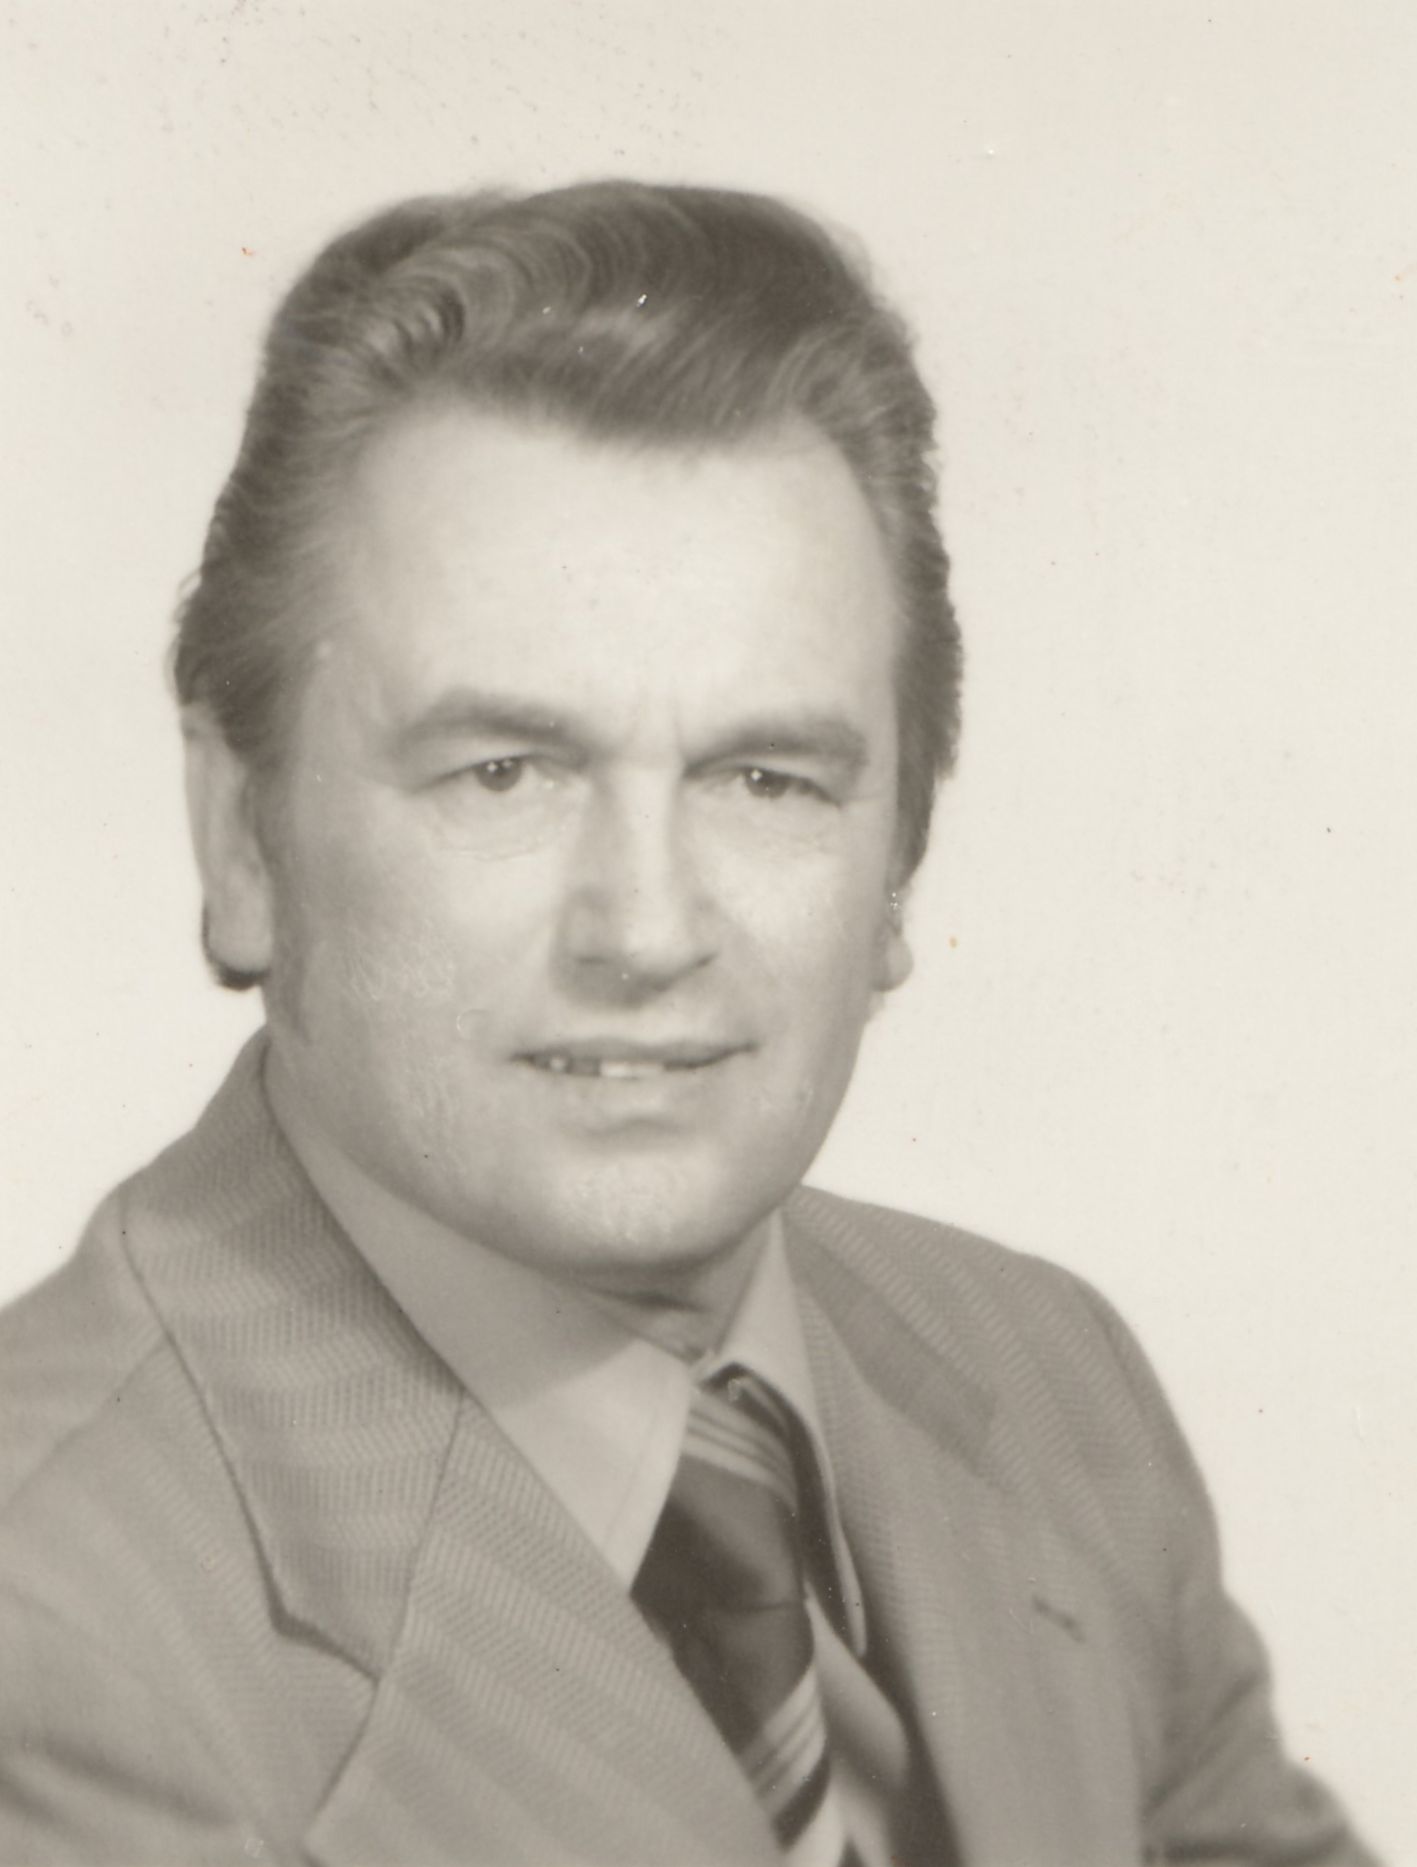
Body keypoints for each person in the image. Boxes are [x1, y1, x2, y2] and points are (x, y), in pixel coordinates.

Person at [0, 182, 1375, 1867]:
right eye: (502, 772)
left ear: (897, 864)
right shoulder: (52, 1626)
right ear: (243, 841)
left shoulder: (1048, 1377)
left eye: (765, 779)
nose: (646, 931)